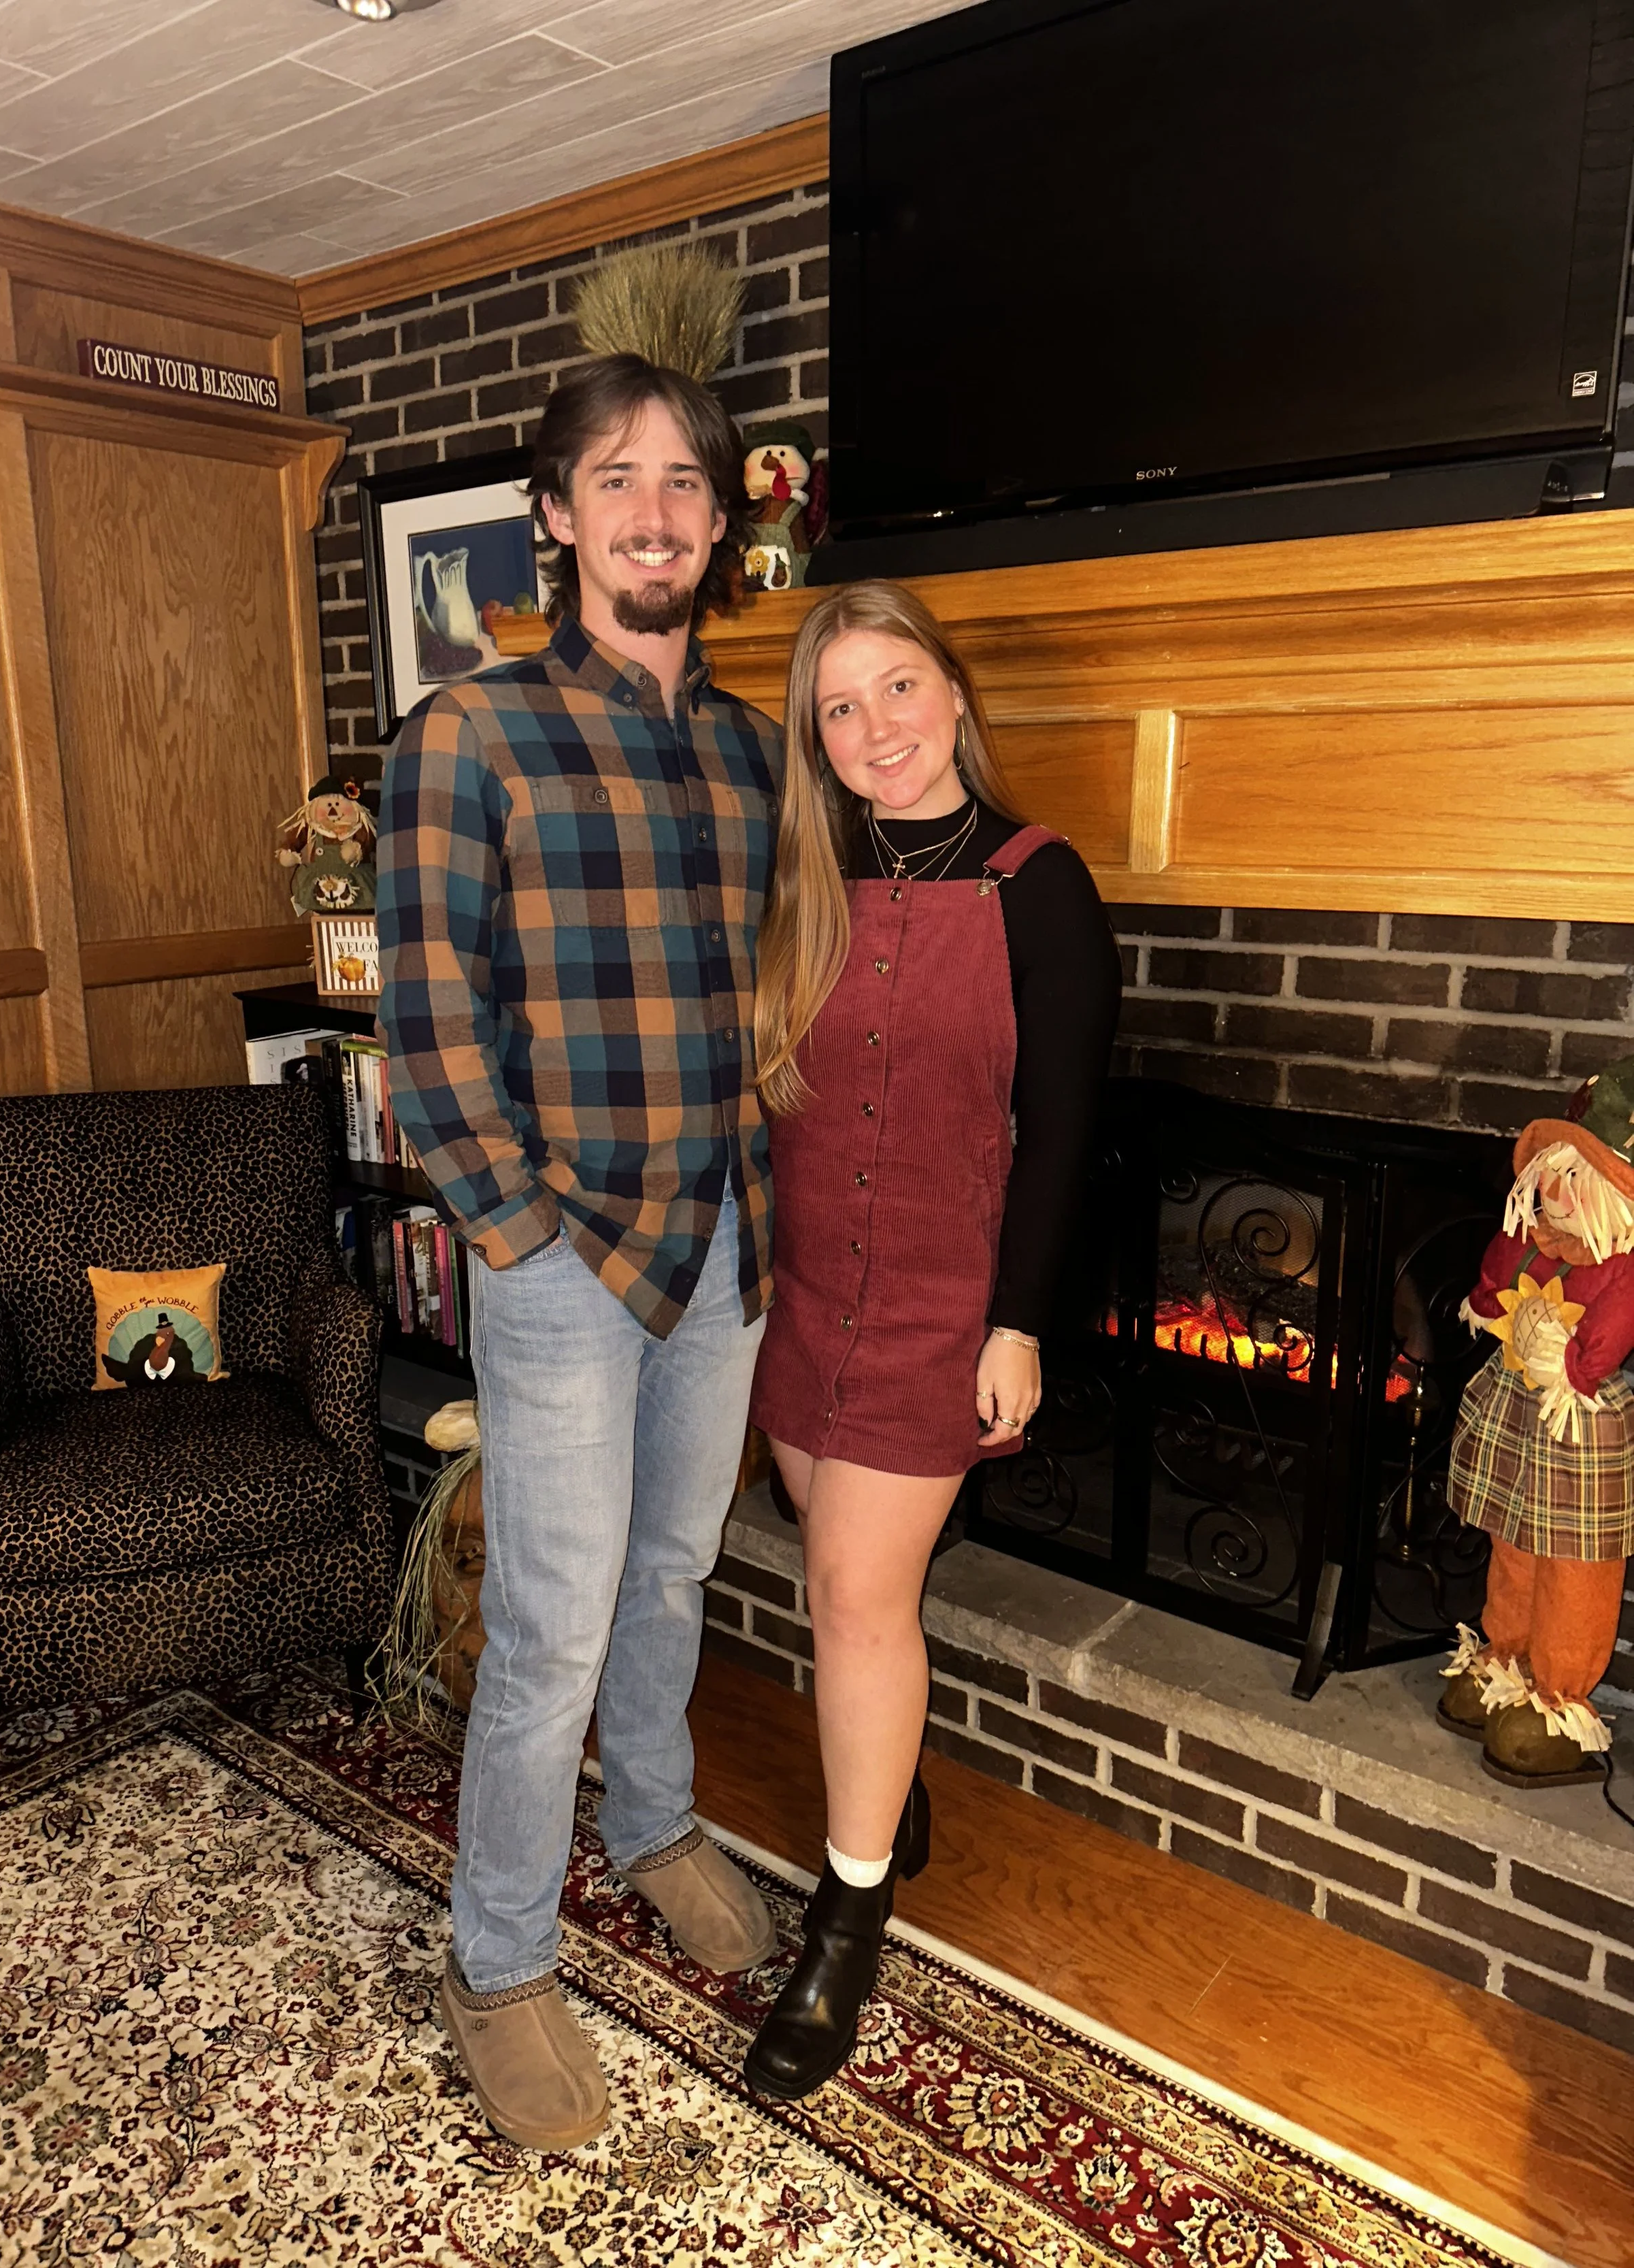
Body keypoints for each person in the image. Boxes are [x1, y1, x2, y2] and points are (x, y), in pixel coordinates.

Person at [376, 352, 782, 2152]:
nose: (656, 510)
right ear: (556, 516)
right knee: (550, 1621)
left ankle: (657, 1819)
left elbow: (778, 990)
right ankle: (501, 1954)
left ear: (718, 520)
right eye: (618, 478)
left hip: (724, 1243)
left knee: (675, 1570)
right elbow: (428, 1014)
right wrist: (517, 1231)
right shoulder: (467, 733)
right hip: (562, 1257)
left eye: (685, 481)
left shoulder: (755, 749)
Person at [744, 578, 1120, 2098]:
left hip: (942, 1303)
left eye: (895, 688)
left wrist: (1016, 1323)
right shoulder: (805, 882)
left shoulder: (1042, 884)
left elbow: (1065, 1132)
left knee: (847, 1594)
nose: (872, 727)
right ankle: (888, 1790)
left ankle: (846, 1919)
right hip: (806, 1291)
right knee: (814, 1537)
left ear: (952, 695)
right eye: (838, 708)